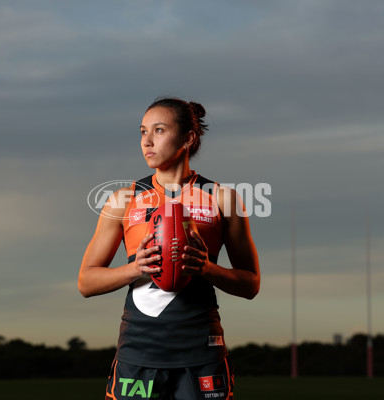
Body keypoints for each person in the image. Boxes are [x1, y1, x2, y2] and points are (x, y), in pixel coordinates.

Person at [78, 97, 260, 400]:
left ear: (188, 138)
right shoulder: (124, 200)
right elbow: (86, 281)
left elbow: (250, 284)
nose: (147, 141)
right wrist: (135, 268)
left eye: (159, 130)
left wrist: (207, 268)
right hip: (139, 353)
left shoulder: (221, 198)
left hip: (202, 353)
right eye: (142, 132)